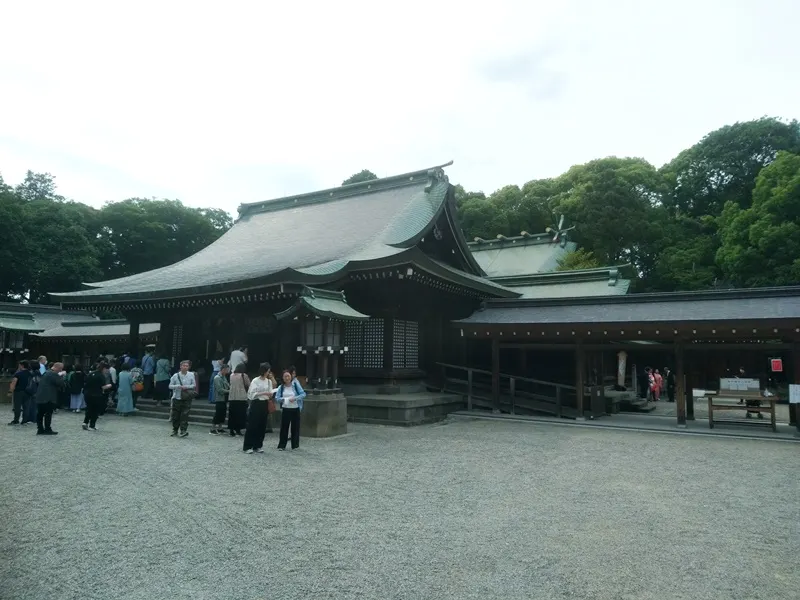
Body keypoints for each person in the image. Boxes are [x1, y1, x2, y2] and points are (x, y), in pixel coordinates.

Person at [243, 362, 275, 454]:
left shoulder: (268, 381)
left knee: (262, 425)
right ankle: (248, 446)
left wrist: (270, 394)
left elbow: (270, 392)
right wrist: (264, 393)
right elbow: (252, 393)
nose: (268, 373)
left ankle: (258, 445)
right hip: (256, 403)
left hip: (264, 403)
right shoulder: (255, 380)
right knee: (252, 425)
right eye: (267, 371)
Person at [275, 369, 306, 451]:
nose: (287, 378)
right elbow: (277, 398)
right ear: (282, 378)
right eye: (285, 376)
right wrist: (283, 399)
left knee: (295, 427)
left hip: (295, 408)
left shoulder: (295, 385)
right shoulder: (281, 387)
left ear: (291, 377)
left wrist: (295, 398)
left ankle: (295, 445)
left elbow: (303, 394)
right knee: (284, 427)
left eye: (288, 376)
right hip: (286, 408)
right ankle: (282, 445)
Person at [35, 362, 66, 435]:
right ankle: (47, 429)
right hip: (49, 397)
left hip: (40, 396)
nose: (61, 370)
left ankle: (40, 429)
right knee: (48, 413)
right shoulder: (53, 374)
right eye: (60, 369)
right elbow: (61, 383)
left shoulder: (46, 372)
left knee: (40, 414)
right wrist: (62, 375)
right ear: (57, 368)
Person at [168, 360, 197, 437]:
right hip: (177, 397)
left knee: (185, 415)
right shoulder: (175, 375)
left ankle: (183, 430)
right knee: (176, 415)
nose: (185, 367)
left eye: (187, 366)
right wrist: (177, 386)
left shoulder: (191, 375)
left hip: (187, 397)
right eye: (183, 366)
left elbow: (194, 385)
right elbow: (170, 386)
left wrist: (186, 387)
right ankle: (175, 430)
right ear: (180, 366)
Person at [83, 363, 113, 431]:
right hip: (96, 395)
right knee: (95, 410)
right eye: (107, 369)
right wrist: (109, 386)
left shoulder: (90, 373)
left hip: (87, 394)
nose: (107, 371)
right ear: (104, 368)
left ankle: (85, 422)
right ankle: (92, 425)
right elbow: (102, 387)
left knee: (89, 409)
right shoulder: (101, 376)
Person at [227, 363, 250, 437]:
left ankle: (231, 430)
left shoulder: (231, 375)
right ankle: (238, 430)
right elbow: (248, 384)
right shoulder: (244, 375)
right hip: (241, 397)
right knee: (240, 414)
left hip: (232, 397)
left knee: (232, 414)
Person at [7, 361, 31, 425]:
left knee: (17, 406)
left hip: (18, 392)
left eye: (19, 365)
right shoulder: (30, 373)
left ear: (22, 365)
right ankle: (24, 420)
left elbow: (13, 383)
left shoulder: (18, 374)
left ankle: (16, 420)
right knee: (26, 407)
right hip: (28, 392)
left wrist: (10, 391)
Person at [210, 363, 231, 435]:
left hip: (224, 398)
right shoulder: (217, 378)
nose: (227, 371)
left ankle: (220, 428)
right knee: (218, 413)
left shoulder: (224, 377)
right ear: (223, 370)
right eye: (227, 370)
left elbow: (227, 385)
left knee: (223, 413)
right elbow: (219, 389)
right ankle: (212, 428)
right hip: (219, 398)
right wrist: (229, 391)